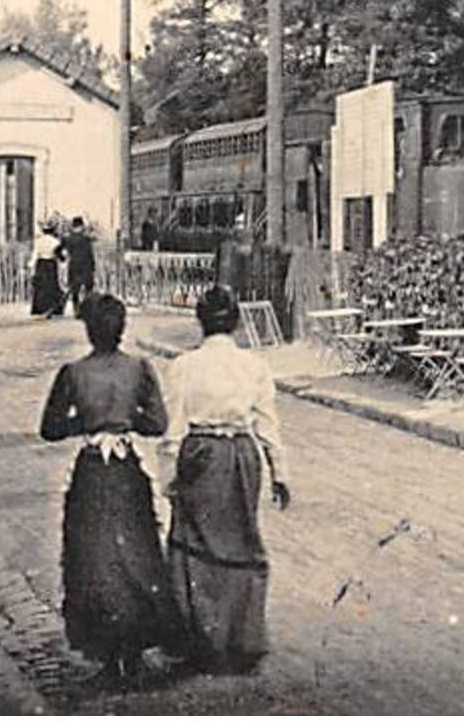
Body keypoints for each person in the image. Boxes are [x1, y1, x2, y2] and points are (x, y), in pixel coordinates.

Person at [38, 295, 181, 687]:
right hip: (125, 467)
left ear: (88, 330)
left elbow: (49, 428)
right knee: (135, 551)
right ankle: (133, 652)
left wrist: (87, 423)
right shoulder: (140, 369)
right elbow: (157, 424)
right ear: (122, 329)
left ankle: (107, 655)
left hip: (91, 470)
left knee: (93, 556)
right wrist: (123, 418)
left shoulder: (73, 372)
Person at [160, 285, 291, 674]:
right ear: (235, 323)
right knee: (241, 537)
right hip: (242, 455)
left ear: (200, 323)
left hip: (200, 452)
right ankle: (242, 639)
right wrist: (280, 473)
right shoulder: (254, 366)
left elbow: (173, 429)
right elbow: (268, 423)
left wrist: (168, 478)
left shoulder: (184, 365)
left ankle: (201, 640)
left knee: (193, 540)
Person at [56, 216, 96, 317]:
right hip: (86, 265)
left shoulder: (68, 239)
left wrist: (63, 258)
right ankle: (87, 309)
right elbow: (89, 253)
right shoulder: (86, 239)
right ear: (81, 226)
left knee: (75, 289)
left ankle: (76, 310)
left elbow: (57, 250)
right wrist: (93, 265)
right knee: (88, 288)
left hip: (74, 265)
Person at [29, 223, 65, 319]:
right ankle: (52, 308)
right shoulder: (55, 242)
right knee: (51, 286)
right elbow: (60, 255)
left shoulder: (38, 241)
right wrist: (63, 263)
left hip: (41, 264)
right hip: (51, 264)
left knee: (41, 287)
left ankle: (40, 309)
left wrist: (31, 265)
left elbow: (35, 254)